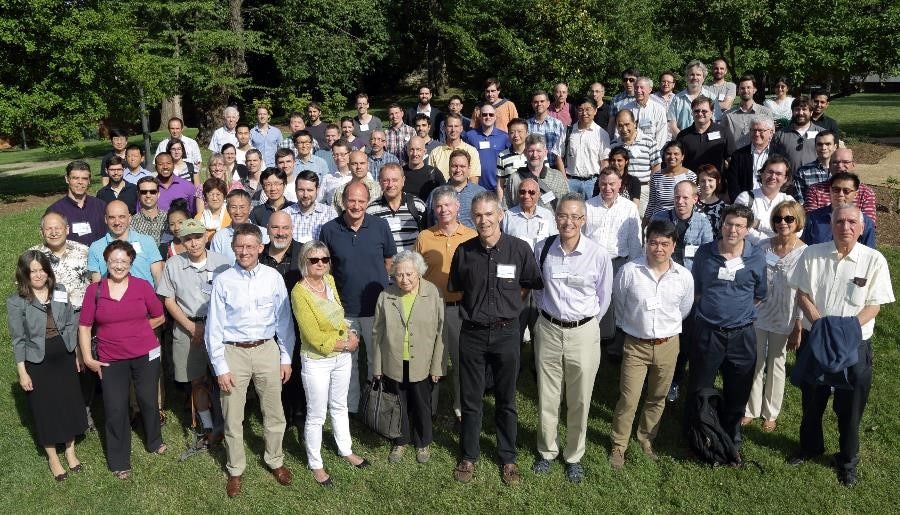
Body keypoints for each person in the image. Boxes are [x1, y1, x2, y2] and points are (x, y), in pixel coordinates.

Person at [787, 204, 894, 486]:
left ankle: (847, 460)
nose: (845, 227)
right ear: (831, 225)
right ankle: (810, 447)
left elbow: (874, 305)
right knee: (812, 399)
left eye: (851, 223)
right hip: (817, 338)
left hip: (853, 343)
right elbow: (802, 294)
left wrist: (844, 330)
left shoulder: (874, 260)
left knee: (850, 406)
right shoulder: (812, 254)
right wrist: (821, 325)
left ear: (861, 228)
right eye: (839, 221)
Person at [448, 191, 543, 486]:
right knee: (471, 398)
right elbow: (459, 287)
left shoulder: (519, 249)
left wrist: (509, 306)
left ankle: (508, 457)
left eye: (489, 214)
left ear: (500, 215)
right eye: (478, 215)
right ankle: (469, 455)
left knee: (506, 398)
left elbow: (528, 284)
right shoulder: (464, 252)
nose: (483, 220)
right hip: (473, 334)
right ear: (471, 218)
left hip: (506, 333)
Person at [205, 223, 296, 497]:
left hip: (267, 349)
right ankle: (235, 468)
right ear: (233, 248)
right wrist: (220, 367)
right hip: (234, 352)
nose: (244, 251)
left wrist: (285, 358)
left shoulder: (272, 278)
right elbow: (214, 328)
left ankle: (275, 459)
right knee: (233, 415)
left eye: (249, 246)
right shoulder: (223, 280)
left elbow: (284, 322)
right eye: (239, 246)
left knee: (274, 411)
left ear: (260, 247)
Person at [530, 193, 612, 483]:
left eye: (575, 217)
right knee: (548, 395)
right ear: (556, 218)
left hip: (584, 332)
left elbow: (604, 296)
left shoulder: (598, 254)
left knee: (580, 398)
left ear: (584, 220)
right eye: (563, 215)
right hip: (549, 329)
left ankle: (574, 455)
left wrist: (585, 324)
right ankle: (547, 451)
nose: (568, 222)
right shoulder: (543, 248)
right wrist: (549, 315)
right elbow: (537, 288)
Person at [608, 220, 694, 470]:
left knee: (658, 396)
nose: (659, 248)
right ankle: (618, 444)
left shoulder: (684, 277)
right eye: (654, 242)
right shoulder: (629, 271)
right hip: (636, 344)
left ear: (674, 245)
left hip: (669, 344)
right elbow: (620, 304)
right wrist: (634, 328)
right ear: (647, 243)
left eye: (665, 243)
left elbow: (684, 309)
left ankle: (646, 438)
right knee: (629, 397)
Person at [78, 240, 167, 480]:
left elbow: (159, 316)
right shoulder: (94, 290)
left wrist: (138, 331)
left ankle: (154, 440)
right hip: (110, 359)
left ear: (131, 262)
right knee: (115, 408)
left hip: (145, 355)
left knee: (148, 400)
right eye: (114, 261)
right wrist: (88, 358)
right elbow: (85, 327)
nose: (119, 265)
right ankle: (119, 460)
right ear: (106, 262)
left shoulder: (141, 287)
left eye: (124, 261)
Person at [689, 204, 767, 453]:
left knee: (738, 387)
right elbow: (698, 289)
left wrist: (736, 311)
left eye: (739, 226)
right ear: (721, 224)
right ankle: (698, 430)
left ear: (748, 229)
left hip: (741, 335)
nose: (732, 230)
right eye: (728, 224)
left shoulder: (756, 257)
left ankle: (732, 431)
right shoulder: (704, 253)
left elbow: (760, 293)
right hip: (708, 332)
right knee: (700, 386)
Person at [290, 241, 369, 487]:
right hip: (317, 361)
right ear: (305, 262)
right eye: (314, 260)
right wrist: (346, 345)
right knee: (316, 414)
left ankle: (345, 449)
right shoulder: (299, 292)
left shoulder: (330, 282)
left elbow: (338, 314)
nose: (320, 264)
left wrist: (350, 333)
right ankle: (316, 464)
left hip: (341, 356)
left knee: (339, 405)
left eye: (324, 259)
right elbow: (313, 336)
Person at [8, 250, 87, 481]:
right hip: (37, 362)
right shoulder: (17, 302)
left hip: (64, 356)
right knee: (46, 409)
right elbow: (18, 339)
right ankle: (53, 457)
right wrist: (22, 371)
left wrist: (76, 353)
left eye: (42, 269)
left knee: (69, 402)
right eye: (33, 271)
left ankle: (71, 451)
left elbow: (71, 322)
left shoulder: (60, 291)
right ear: (24, 273)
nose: (38, 274)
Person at [320, 182, 397, 414]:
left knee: (376, 360)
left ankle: (376, 406)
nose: (356, 205)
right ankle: (350, 408)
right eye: (351, 200)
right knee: (347, 363)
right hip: (345, 308)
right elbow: (327, 268)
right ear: (343, 201)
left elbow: (388, 261)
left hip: (375, 307)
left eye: (361, 201)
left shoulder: (380, 226)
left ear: (368, 202)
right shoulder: (329, 229)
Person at [156, 219, 231, 446]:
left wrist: (211, 328)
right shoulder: (173, 264)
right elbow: (168, 300)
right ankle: (207, 424)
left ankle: (227, 423)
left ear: (205, 237)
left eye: (197, 236)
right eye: (187, 238)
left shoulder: (222, 263)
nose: (194, 242)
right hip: (187, 327)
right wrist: (191, 327)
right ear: (181, 242)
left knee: (223, 378)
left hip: (219, 327)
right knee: (196, 380)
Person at [373, 251, 445, 464]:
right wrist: (377, 366)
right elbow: (377, 333)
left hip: (422, 362)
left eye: (409, 274)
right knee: (398, 404)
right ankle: (401, 441)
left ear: (419, 273)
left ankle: (423, 442)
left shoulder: (432, 293)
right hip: (394, 361)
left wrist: (437, 367)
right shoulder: (386, 296)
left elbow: (442, 333)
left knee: (422, 404)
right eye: (399, 275)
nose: (404, 279)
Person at [742, 201, 806, 432]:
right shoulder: (762, 246)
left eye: (789, 219)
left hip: (785, 315)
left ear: (797, 222)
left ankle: (771, 412)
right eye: (778, 218)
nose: (783, 223)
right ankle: (751, 409)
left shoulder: (804, 252)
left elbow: (804, 291)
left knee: (776, 363)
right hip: (759, 313)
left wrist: (798, 323)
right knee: (756, 361)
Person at [415, 186, 478, 423]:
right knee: (431, 361)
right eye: (438, 206)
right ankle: (428, 409)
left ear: (457, 207)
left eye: (447, 205)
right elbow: (416, 273)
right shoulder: (425, 237)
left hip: (460, 309)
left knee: (462, 361)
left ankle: (461, 407)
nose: (443, 210)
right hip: (431, 309)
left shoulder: (471, 236)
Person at [583, 168, 642, 357]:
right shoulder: (588, 206)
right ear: (598, 184)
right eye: (603, 183)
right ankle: (593, 341)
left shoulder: (629, 208)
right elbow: (582, 238)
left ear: (620, 185)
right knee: (594, 301)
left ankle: (616, 346)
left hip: (619, 261)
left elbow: (635, 240)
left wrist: (634, 268)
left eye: (611, 184)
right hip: (593, 264)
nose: (607, 188)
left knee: (618, 303)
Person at [87, 200, 164, 286]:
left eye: (122, 217)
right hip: (112, 298)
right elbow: (96, 285)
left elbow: (158, 276)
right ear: (105, 219)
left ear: (130, 218)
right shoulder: (96, 247)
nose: (117, 222)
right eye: (112, 217)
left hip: (145, 297)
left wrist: (158, 299)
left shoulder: (147, 241)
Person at [802, 172, 876, 247]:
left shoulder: (865, 223)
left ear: (856, 194)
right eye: (836, 190)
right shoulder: (813, 218)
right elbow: (805, 249)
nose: (840, 194)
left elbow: (869, 254)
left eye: (846, 191)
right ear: (830, 190)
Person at [803, 148, 877, 222]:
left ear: (853, 165)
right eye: (835, 162)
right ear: (829, 166)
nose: (840, 166)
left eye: (846, 162)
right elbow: (810, 222)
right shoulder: (815, 190)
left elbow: (868, 226)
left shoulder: (866, 193)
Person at [734, 155, 795, 244]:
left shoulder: (789, 201)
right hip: (750, 254)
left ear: (785, 179)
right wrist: (772, 240)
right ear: (762, 173)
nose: (773, 177)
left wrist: (758, 224)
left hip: (781, 254)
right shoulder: (745, 198)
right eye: (770, 172)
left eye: (778, 174)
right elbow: (739, 227)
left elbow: (797, 231)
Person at [366, 162, 427, 251]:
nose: (390, 185)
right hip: (384, 264)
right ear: (379, 182)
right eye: (386, 180)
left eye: (395, 180)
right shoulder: (371, 211)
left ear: (403, 181)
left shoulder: (418, 206)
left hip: (412, 263)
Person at [46, 160, 107, 246]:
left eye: (84, 178)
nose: (80, 182)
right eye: (75, 178)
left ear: (89, 180)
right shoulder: (55, 211)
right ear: (67, 179)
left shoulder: (101, 206)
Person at [610, 110, 661, 212]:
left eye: (627, 124)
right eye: (620, 126)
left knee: (641, 222)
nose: (624, 129)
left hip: (643, 190)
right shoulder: (614, 145)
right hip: (620, 189)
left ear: (635, 123)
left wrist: (652, 189)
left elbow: (656, 167)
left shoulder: (649, 142)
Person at [505, 134, 570, 211]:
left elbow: (567, 205)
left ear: (545, 152)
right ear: (525, 153)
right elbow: (506, 207)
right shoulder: (515, 178)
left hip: (550, 222)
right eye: (531, 151)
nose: (535, 155)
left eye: (539, 151)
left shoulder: (557, 177)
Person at [564, 97, 611, 199]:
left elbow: (604, 161)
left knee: (591, 213)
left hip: (592, 183)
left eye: (588, 109)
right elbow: (559, 155)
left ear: (595, 111)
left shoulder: (601, 134)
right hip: (571, 182)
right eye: (580, 110)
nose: (584, 113)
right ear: (577, 111)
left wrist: (601, 181)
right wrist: (564, 177)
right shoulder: (568, 131)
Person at [425, 150, 485, 229]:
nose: (458, 170)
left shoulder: (480, 193)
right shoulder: (436, 193)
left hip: (472, 240)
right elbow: (428, 221)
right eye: (454, 166)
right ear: (449, 168)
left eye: (462, 166)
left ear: (469, 169)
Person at [675, 95, 734, 174]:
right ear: (692, 112)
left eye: (704, 111)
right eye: (696, 111)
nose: (700, 113)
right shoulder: (683, 135)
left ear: (712, 112)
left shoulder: (723, 132)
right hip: (690, 183)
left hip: (715, 183)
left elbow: (732, 159)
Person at [726, 115, 776, 201]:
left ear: (771, 132)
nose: (756, 134)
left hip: (771, 202)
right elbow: (733, 183)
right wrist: (739, 203)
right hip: (745, 203)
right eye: (754, 130)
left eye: (761, 131)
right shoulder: (738, 155)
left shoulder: (779, 155)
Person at [771, 96, 826, 173]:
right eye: (797, 109)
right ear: (792, 112)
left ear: (811, 112)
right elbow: (773, 161)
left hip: (816, 181)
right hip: (789, 182)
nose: (800, 113)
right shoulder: (779, 135)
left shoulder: (823, 134)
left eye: (804, 109)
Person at [644, 141, 697, 220]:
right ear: (664, 156)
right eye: (668, 153)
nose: (672, 157)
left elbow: (694, 202)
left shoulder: (691, 176)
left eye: (676, 154)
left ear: (682, 156)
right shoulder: (656, 177)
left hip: (682, 221)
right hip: (660, 221)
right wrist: (645, 222)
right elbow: (651, 203)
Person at [464, 102, 511, 190]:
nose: (488, 117)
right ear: (480, 117)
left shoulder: (504, 137)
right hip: (475, 187)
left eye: (491, 114)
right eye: (484, 114)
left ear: (495, 117)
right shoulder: (469, 136)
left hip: (497, 188)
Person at [282, 170, 337, 244]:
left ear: (317, 190)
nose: (305, 195)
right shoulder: (285, 214)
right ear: (295, 190)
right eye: (301, 190)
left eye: (310, 190)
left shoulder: (330, 214)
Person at [722, 75, 774, 148]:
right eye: (742, 88)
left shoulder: (766, 112)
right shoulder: (728, 115)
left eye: (748, 87)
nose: (745, 90)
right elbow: (723, 139)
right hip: (736, 157)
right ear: (738, 90)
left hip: (759, 156)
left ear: (754, 90)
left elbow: (771, 136)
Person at [428, 113, 481, 181]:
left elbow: (474, 180)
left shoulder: (472, 151)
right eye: (450, 126)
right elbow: (431, 179)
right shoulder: (435, 153)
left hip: (465, 191)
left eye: (456, 126)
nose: (453, 130)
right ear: (444, 128)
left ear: (461, 128)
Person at [794, 130, 838, 204]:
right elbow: (799, 203)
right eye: (820, 144)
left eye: (828, 144)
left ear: (835, 147)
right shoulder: (803, 172)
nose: (823, 147)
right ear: (815, 146)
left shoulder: (841, 171)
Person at [527, 90, 566, 171]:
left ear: (548, 103)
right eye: (536, 102)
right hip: (533, 168)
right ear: (532, 104)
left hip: (554, 168)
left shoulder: (557, 124)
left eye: (542, 101)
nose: (539, 104)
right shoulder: (526, 125)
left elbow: (562, 149)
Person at [496, 118, 529, 208]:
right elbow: (500, 184)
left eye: (520, 131)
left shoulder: (535, 153)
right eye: (512, 132)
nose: (516, 135)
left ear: (527, 133)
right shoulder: (502, 155)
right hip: (510, 203)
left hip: (531, 200)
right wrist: (501, 206)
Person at [403, 136, 446, 202]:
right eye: (412, 149)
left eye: (418, 150)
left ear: (424, 151)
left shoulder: (434, 173)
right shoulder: (400, 173)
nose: (415, 154)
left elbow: (444, 197)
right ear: (407, 151)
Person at [154, 152, 196, 216]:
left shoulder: (188, 186)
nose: (165, 167)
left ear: (173, 165)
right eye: (160, 164)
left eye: (168, 163)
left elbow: (195, 213)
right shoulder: (149, 188)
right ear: (156, 167)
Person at [130, 177, 169, 245]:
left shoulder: (168, 219)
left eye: (153, 192)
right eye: (143, 192)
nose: (148, 195)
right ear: (138, 194)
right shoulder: (131, 222)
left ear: (158, 194)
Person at [696, 164, 728, 240]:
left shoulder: (725, 208)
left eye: (710, 180)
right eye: (703, 181)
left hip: (715, 249)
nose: (706, 184)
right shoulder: (690, 204)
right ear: (698, 182)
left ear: (718, 181)